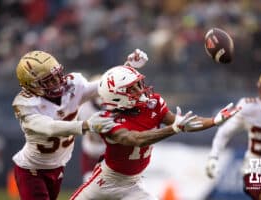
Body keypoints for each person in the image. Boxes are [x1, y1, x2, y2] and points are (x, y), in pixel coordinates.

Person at [70, 64, 240, 200]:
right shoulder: (106, 119)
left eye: (138, 84)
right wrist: (173, 129)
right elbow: (136, 139)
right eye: (132, 88)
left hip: (132, 184)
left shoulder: (153, 103)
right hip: (106, 180)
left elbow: (182, 122)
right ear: (117, 96)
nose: (140, 90)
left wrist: (213, 121)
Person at [12, 49, 146, 200]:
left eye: (57, 75)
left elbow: (103, 86)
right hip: (32, 168)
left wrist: (127, 67)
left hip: (57, 167)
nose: (56, 82)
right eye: (48, 81)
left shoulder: (72, 85)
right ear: (31, 86)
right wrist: (86, 125)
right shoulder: (26, 104)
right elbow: (49, 128)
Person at [206, 67, 261, 200]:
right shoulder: (249, 107)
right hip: (256, 168)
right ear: (260, 89)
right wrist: (213, 156)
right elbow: (225, 132)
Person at [77, 75, 105, 183]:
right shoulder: (84, 107)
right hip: (90, 148)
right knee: (88, 181)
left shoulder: (113, 105)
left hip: (107, 150)